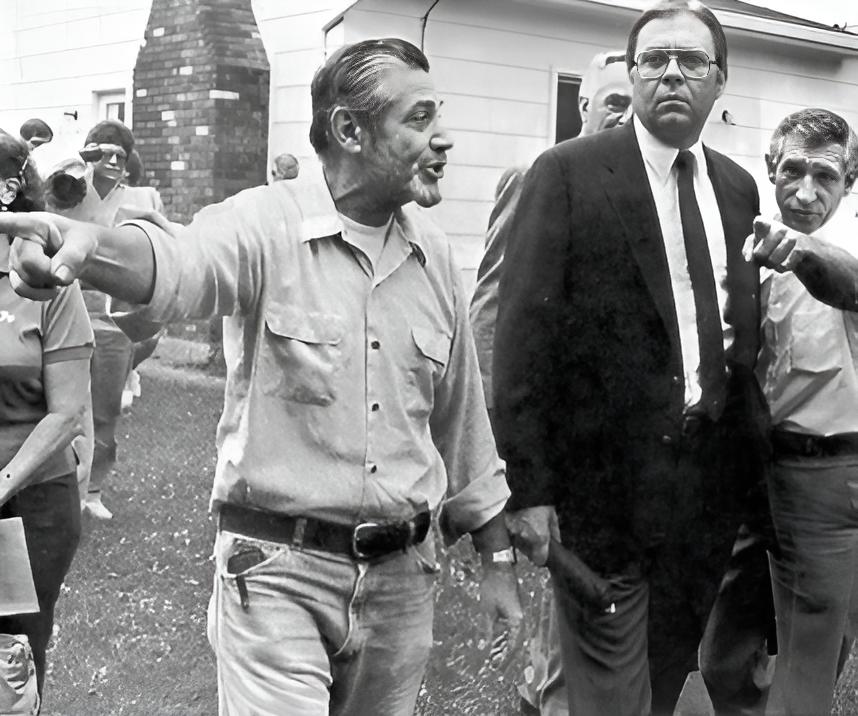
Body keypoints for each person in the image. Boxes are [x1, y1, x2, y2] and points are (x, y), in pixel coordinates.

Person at [2, 38, 522, 716]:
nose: (443, 138)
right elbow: (179, 265)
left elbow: (461, 422)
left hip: (402, 585)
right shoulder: (265, 224)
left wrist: (497, 556)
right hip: (277, 574)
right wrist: (93, 247)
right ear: (350, 130)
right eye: (420, 119)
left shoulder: (435, 257)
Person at [493, 2, 770, 714]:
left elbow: (740, 340)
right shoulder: (567, 173)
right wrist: (527, 490)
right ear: (635, 73)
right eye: (654, 60)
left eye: (692, 61)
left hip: (703, 502)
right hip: (600, 506)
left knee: (660, 687)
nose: (671, 74)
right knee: (610, 699)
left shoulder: (737, 189)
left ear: (720, 79)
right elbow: (522, 338)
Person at [469, 48, 632, 716]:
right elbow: (491, 312)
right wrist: (495, 445)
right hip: (549, 439)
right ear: (583, 106)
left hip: (616, 445)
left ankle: (540, 692)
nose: (626, 115)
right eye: (613, 101)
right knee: (579, 604)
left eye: (636, 101)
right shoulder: (542, 175)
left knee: (584, 612)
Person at [746, 107, 858, 716]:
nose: (806, 191)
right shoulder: (741, 234)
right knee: (725, 656)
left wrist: (802, 252)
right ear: (771, 168)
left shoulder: (843, 248)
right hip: (752, 472)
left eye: (827, 177)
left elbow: (849, 282)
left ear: (851, 182)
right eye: (792, 171)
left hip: (824, 474)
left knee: (810, 653)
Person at [0, 130, 93, 701]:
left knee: (9, 658)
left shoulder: (46, 281)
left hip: (26, 502)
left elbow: (67, 413)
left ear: (9, 190)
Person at [47, 120, 164, 520]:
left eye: (120, 154)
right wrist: (80, 161)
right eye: (103, 152)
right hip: (65, 311)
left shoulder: (143, 198)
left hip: (113, 320)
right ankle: (61, 485)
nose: (112, 161)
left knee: (105, 410)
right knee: (61, 405)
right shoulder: (69, 190)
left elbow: (159, 251)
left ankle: (93, 489)